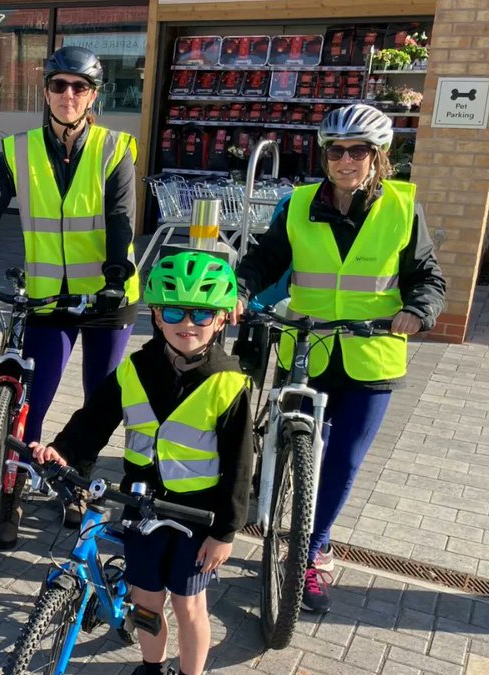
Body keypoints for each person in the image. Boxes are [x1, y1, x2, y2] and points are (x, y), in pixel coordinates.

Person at [234, 103, 445, 614]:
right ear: (324, 155)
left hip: (372, 356)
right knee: (299, 450)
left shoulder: (402, 208)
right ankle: (281, 518)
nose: (345, 161)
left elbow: (427, 277)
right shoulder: (299, 204)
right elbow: (266, 260)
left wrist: (418, 310)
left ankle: (312, 549)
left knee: (344, 462)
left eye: (358, 151)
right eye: (336, 151)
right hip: (307, 348)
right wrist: (240, 289)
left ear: (378, 155)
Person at [0, 46, 141, 547]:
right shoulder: (18, 150)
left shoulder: (114, 148)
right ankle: (12, 493)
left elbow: (120, 217)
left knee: (98, 403)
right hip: (48, 298)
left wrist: (115, 274)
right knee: (32, 402)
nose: (69, 95)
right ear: (45, 92)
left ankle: (78, 484)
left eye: (80, 87)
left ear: (93, 96)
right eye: (59, 85)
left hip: (108, 297)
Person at [31, 251, 253, 675]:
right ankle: (152, 667)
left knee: (188, 605)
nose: (187, 324)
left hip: (198, 515)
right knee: (146, 600)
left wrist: (225, 531)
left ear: (222, 319)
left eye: (202, 314)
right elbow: (94, 419)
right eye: (174, 311)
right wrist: (64, 449)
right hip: (141, 505)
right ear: (156, 315)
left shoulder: (229, 383)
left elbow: (240, 467)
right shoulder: (133, 369)